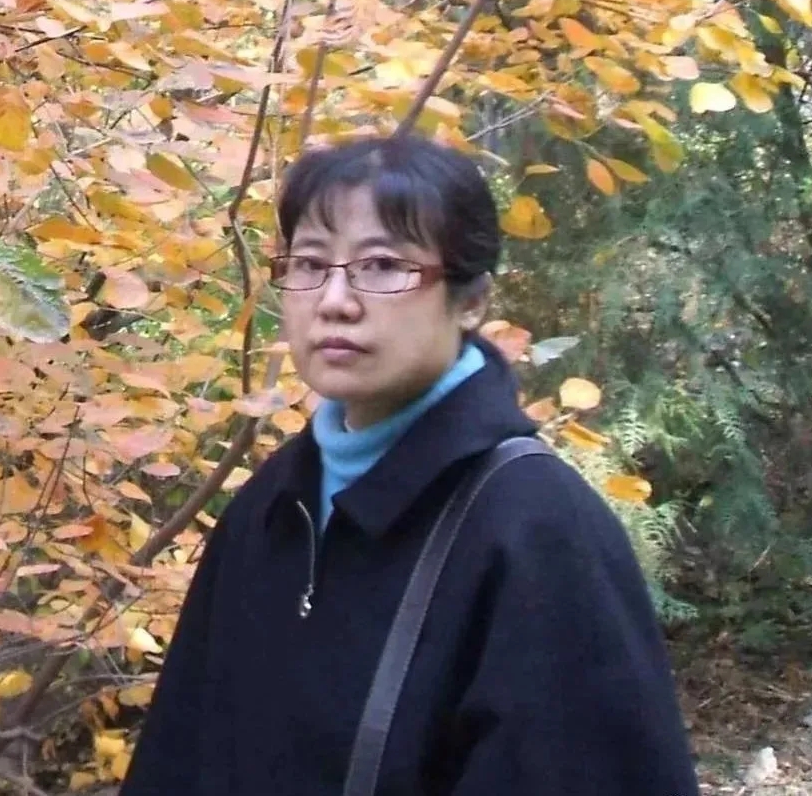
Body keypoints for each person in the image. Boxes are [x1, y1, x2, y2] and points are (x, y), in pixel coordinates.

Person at [119, 135, 701, 796]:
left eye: (382, 265)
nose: (335, 300)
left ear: (471, 299)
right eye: (310, 263)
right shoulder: (275, 505)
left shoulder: (536, 530)